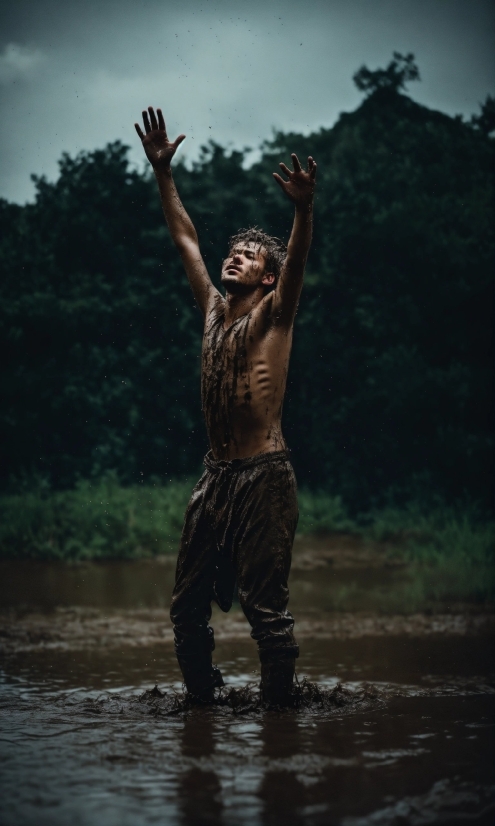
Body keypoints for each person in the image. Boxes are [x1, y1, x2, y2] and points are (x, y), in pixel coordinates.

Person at [135, 107, 316, 705]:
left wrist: (302, 211)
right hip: (214, 477)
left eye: (248, 256)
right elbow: (185, 236)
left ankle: (281, 725)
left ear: (267, 279)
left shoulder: (274, 314)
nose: (234, 256)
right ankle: (201, 712)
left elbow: (296, 268)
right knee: (185, 608)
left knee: (267, 612)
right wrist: (163, 173)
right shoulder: (212, 309)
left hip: (264, 476)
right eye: (232, 251)